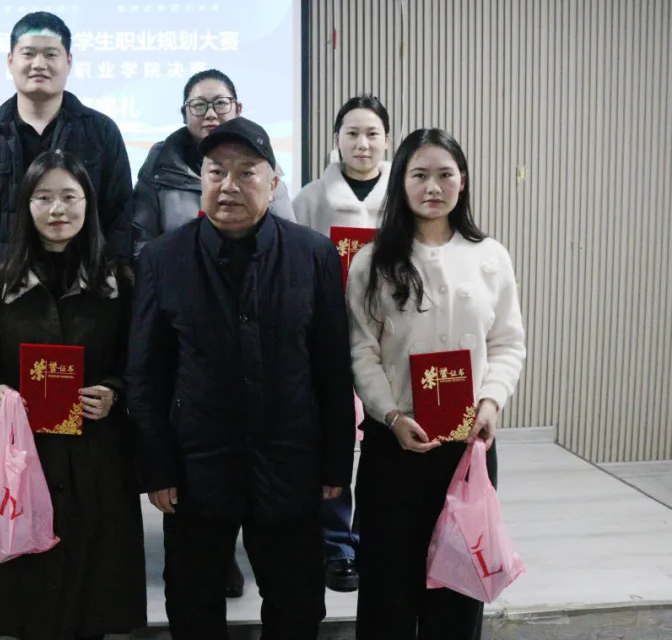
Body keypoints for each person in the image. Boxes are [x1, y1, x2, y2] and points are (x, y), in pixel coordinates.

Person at [126, 116, 355, 639]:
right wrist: (156, 467)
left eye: (246, 172)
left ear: (273, 183)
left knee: (297, 603)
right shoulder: (163, 258)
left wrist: (335, 462)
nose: (229, 185)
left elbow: (331, 365)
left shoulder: (313, 255)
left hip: (289, 459)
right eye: (216, 172)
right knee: (193, 602)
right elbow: (146, 373)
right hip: (197, 464)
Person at [346, 128, 526, 639]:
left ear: (462, 181)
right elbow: (360, 350)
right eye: (419, 174)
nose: (433, 187)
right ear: (400, 182)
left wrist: (491, 401)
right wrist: (391, 414)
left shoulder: (490, 255)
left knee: (458, 585)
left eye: (445, 174)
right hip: (395, 444)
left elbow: (508, 342)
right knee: (387, 587)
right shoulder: (372, 261)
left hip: (467, 447)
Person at [0, 150, 147, 640]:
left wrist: (114, 392)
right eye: (43, 197)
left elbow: (138, 360)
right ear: (26, 205)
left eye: (70, 196)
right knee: (31, 591)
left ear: (88, 204)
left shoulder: (119, 282)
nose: (57, 209)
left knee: (93, 592)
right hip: (25, 456)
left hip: (98, 455)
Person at [0, 12, 134, 290]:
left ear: (69, 61)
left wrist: (100, 285)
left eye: (51, 54)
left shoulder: (102, 133)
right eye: (29, 53)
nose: (39, 64)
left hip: (82, 297)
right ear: (10, 60)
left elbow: (120, 219)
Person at [291, 93, 393, 592]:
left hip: (390, 338)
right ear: (336, 139)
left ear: (388, 140)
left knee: (385, 436)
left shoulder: (404, 194)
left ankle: (378, 536)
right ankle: (336, 544)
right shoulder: (311, 198)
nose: (362, 143)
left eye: (372, 133)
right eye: (352, 133)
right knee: (330, 439)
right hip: (326, 334)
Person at [132, 68, 295, 259]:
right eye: (199, 105)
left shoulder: (260, 159)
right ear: (185, 114)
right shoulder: (160, 165)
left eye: (220, 103)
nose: (210, 113)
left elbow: (287, 240)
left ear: (238, 109)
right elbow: (141, 240)